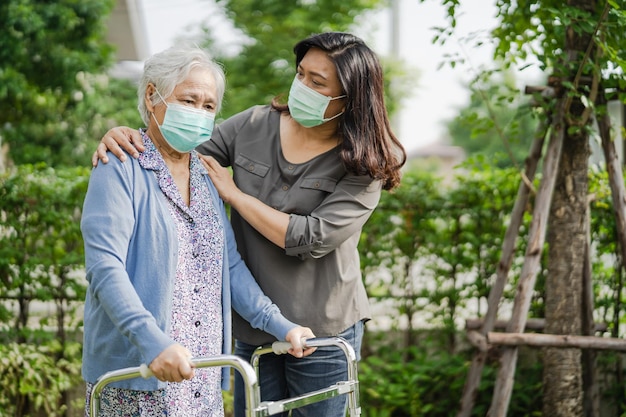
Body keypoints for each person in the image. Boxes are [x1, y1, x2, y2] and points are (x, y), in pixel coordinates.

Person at [93, 32, 406, 417]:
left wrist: (236, 195)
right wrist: (121, 134)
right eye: (301, 74)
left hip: (319, 328)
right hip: (248, 331)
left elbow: (311, 237)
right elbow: (171, 148)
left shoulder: (365, 160)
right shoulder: (254, 125)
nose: (302, 87)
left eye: (318, 82)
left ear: (350, 97)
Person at [81, 45, 315, 417]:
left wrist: (281, 326)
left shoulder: (206, 176)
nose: (199, 113)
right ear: (151, 95)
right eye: (189, 100)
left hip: (201, 373)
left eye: (208, 106)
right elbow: (105, 269)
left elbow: (230, 268)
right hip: (140, 372)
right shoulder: (120, 167)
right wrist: (153, 343)